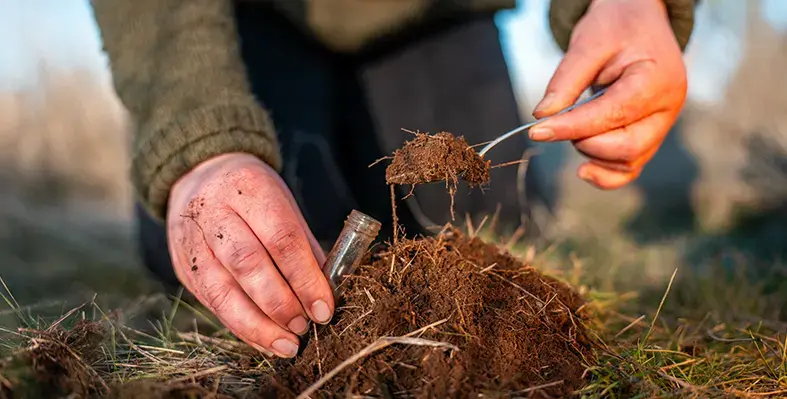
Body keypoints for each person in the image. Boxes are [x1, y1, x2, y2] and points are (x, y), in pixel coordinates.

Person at [91, 0, 697, 359]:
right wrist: (202, 144)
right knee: (252, 252)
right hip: (242, 26)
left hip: (431, 21)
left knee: (491, 232)